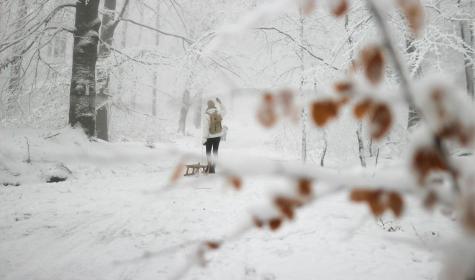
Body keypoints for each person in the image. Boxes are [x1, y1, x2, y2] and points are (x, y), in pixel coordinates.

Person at [202, 98, 225, 174]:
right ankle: (213, 168)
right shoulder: (218, 112)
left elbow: (205, 127)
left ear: (208, 106)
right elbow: (225, 111)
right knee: (215, 151)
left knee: (208, 152)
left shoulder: (206, 115)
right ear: (214, 105)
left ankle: (208, 167)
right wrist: (220, 103)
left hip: (209, 136)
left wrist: (204, 138)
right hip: (218, 136)